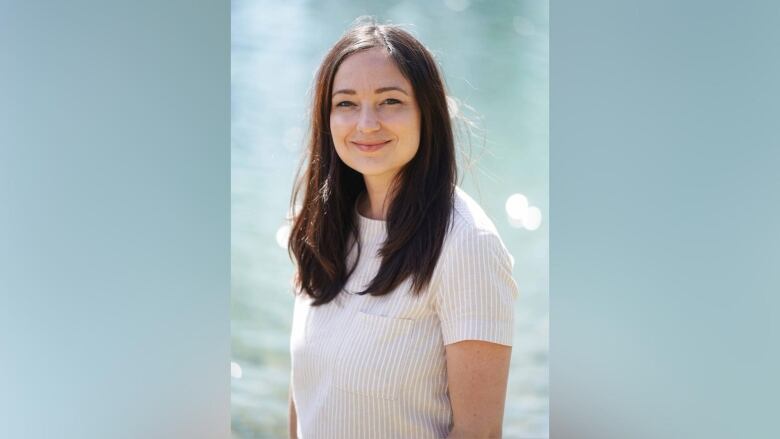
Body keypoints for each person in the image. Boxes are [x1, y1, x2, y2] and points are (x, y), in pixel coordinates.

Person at [287, 19, 519, 439]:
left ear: (425, 112)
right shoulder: (323, 225)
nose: (367, 123)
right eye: (346, 103)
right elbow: (305, 396)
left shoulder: (468, 245)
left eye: (390, 101)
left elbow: (479, 432)